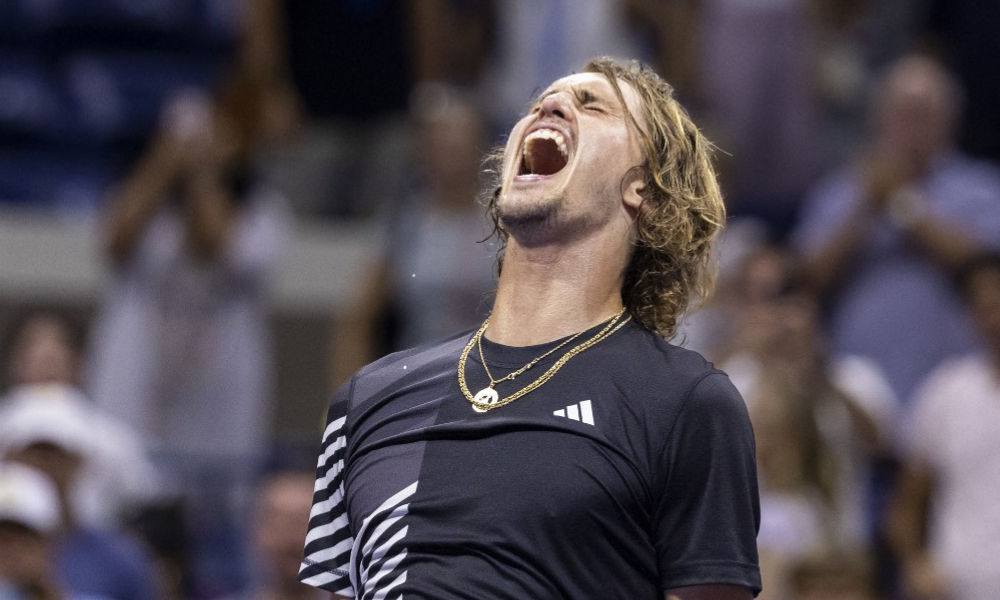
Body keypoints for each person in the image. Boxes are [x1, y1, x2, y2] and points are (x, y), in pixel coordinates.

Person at [299, 57, 760, 599]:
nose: (550, 104)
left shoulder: (686, 404)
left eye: (593, 105)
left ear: (645, 194)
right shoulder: (367, 399)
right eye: (540, 102)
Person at [790, 54, 1000, 405]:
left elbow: (982, 265)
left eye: (923, 116)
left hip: (958, 384)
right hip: (855, 384)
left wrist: (904, 205)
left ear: (949, 123)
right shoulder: (841, 190)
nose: (911, 129)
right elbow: (805, 277)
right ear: (879, 119)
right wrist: (864, 210)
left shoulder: (980, 188)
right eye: (902, 114)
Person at [888, 253, 1000, 600]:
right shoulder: (946, 392)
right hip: (961, 588)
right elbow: (906, 507)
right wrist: (915, 563)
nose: (995, 316)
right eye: (984, 306)